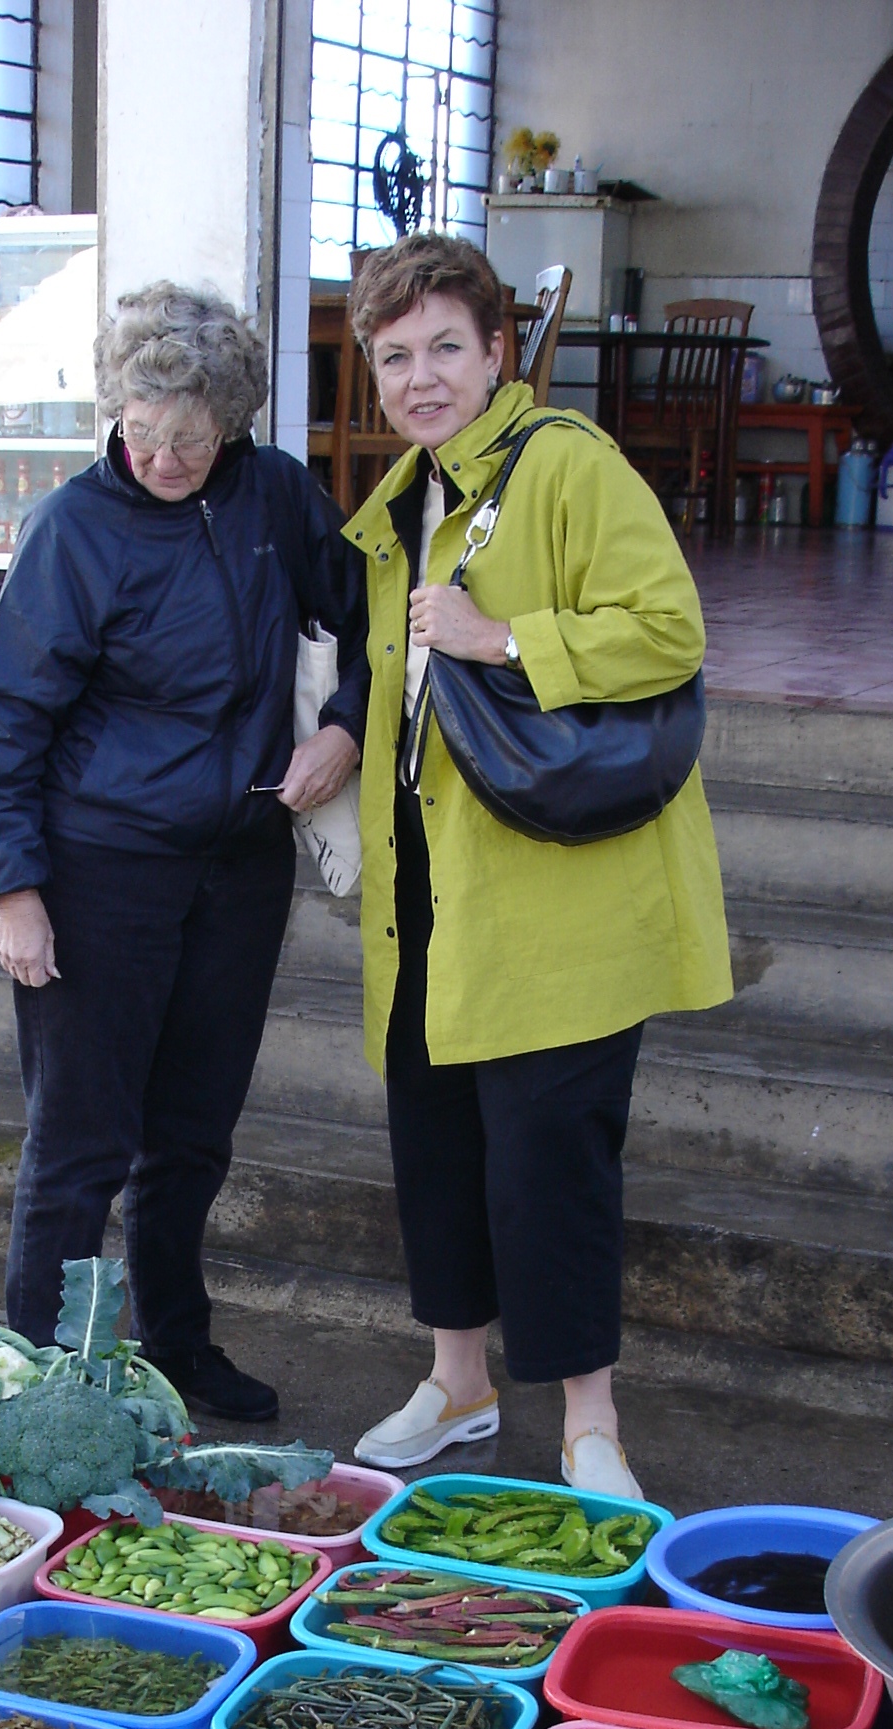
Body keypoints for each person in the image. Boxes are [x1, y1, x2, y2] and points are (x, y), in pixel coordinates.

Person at [341, 235, 731, 1499]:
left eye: (446, 346)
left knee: (551, 1163)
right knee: (440, 1149)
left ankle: (589, 1426)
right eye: (395, 357)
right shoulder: (408, 492)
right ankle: (457, 1383)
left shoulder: (566, 464)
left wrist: (504, 636)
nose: (421, 376)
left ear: (499, 350)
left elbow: (669, 629)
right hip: (428, 891)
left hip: (552, 897)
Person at [0, 282, 367, 1421]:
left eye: (191, 433)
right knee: (79, 1146)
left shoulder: (277, 495)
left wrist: (344, 727)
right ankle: (36, 1380)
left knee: (191, 1138)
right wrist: (14, 890)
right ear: (116, 406)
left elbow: (368, 620)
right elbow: (3, 721)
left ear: (232, 420)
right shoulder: (72, 528)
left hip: (238, 865)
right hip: (101, 871)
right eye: (142, 426)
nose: (164, 454)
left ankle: (177, 1346)